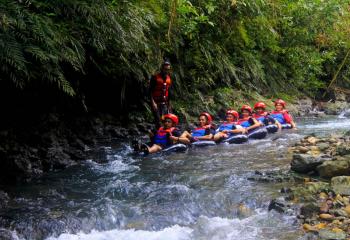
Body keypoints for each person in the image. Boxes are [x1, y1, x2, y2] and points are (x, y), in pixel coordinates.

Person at [149, 60, 173, 128]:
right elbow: (150, 91)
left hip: (165, 103)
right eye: (165, 69)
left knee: (166, 120)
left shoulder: (169, 78)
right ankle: (157, 136)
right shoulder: (155, 77)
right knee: (158, 120)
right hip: (156, 103)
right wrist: (153, 103)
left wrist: (169, 104)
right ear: (162, 69)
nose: (166, 71)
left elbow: (169, 92)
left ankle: (165, 136)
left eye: (168, 69)